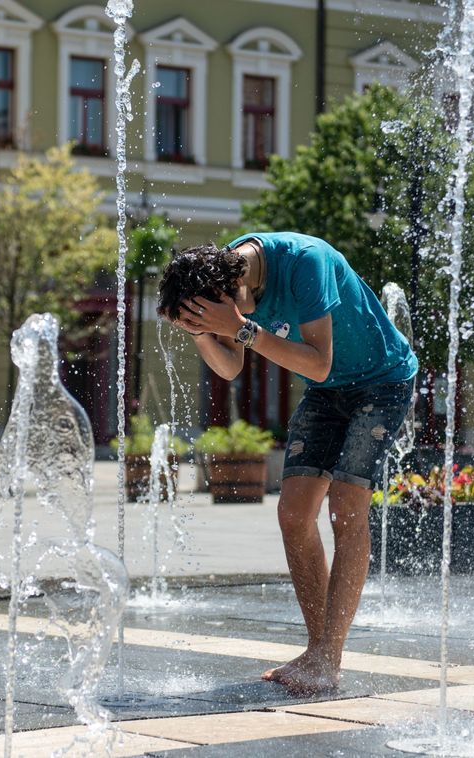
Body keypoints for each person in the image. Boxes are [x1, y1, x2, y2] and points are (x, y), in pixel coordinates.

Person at [156, 232, 417, 695]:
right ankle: (319, 652)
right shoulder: (225, 280)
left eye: (213, 312)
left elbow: (317, 363)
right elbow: (231, 367)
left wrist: (236, 325)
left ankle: (327, 660)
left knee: (346, 507)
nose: (232, 318)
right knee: (293, 514)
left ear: (234, 286)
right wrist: (202, 332)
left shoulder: (305, 263)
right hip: (327, 392)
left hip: (382, 381)